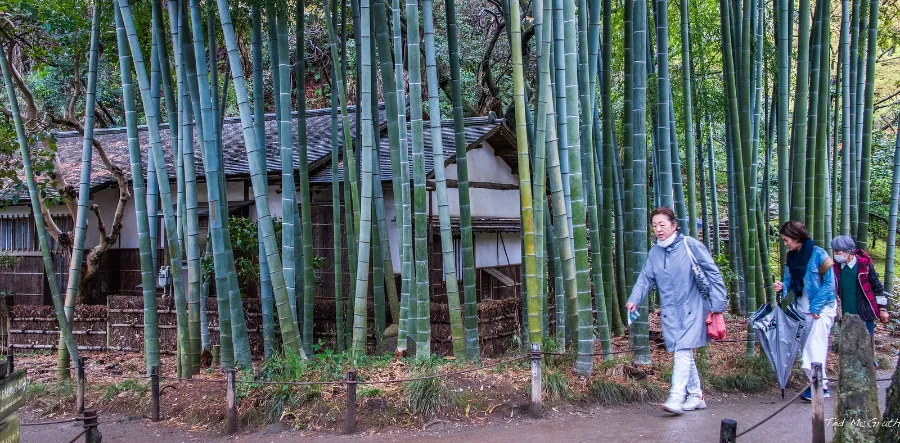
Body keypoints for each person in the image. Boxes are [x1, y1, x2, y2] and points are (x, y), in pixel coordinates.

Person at [625, 207, 727, 415]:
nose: (658, 229)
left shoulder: (690, 245)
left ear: (674, 225)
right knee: (683, 351)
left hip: (694, 306)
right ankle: (696, 395)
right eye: (654, 226)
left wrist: (718, 305)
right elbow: (646, 278)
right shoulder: (655, 252)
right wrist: (634, 299)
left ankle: (676, 397)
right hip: (670, 311)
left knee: (682, 349)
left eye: (662, 225)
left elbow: (713, 273)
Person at [772, 221, 837, 402]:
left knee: (814, 348)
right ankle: (817, 386)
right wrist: (782, 287)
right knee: (806, 349)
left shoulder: (819, 254)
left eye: (787, 240)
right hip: (802, 309)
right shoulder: (790, 257)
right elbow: (790, 282)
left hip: (822, 309)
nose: (785, 243)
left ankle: (820, 387)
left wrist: (816, 306)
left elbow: (829, 284)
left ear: (796, 237)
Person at [830, 235, 890, 339]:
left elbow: (877, 287)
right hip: (846, 314)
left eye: (838, 251)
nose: (835, 254)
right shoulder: (835, 268)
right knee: (848, 344)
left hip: (865, 312)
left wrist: (883, 309)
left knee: (865, 343)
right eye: (834, 251)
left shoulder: (864, 265)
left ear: (848, 251)